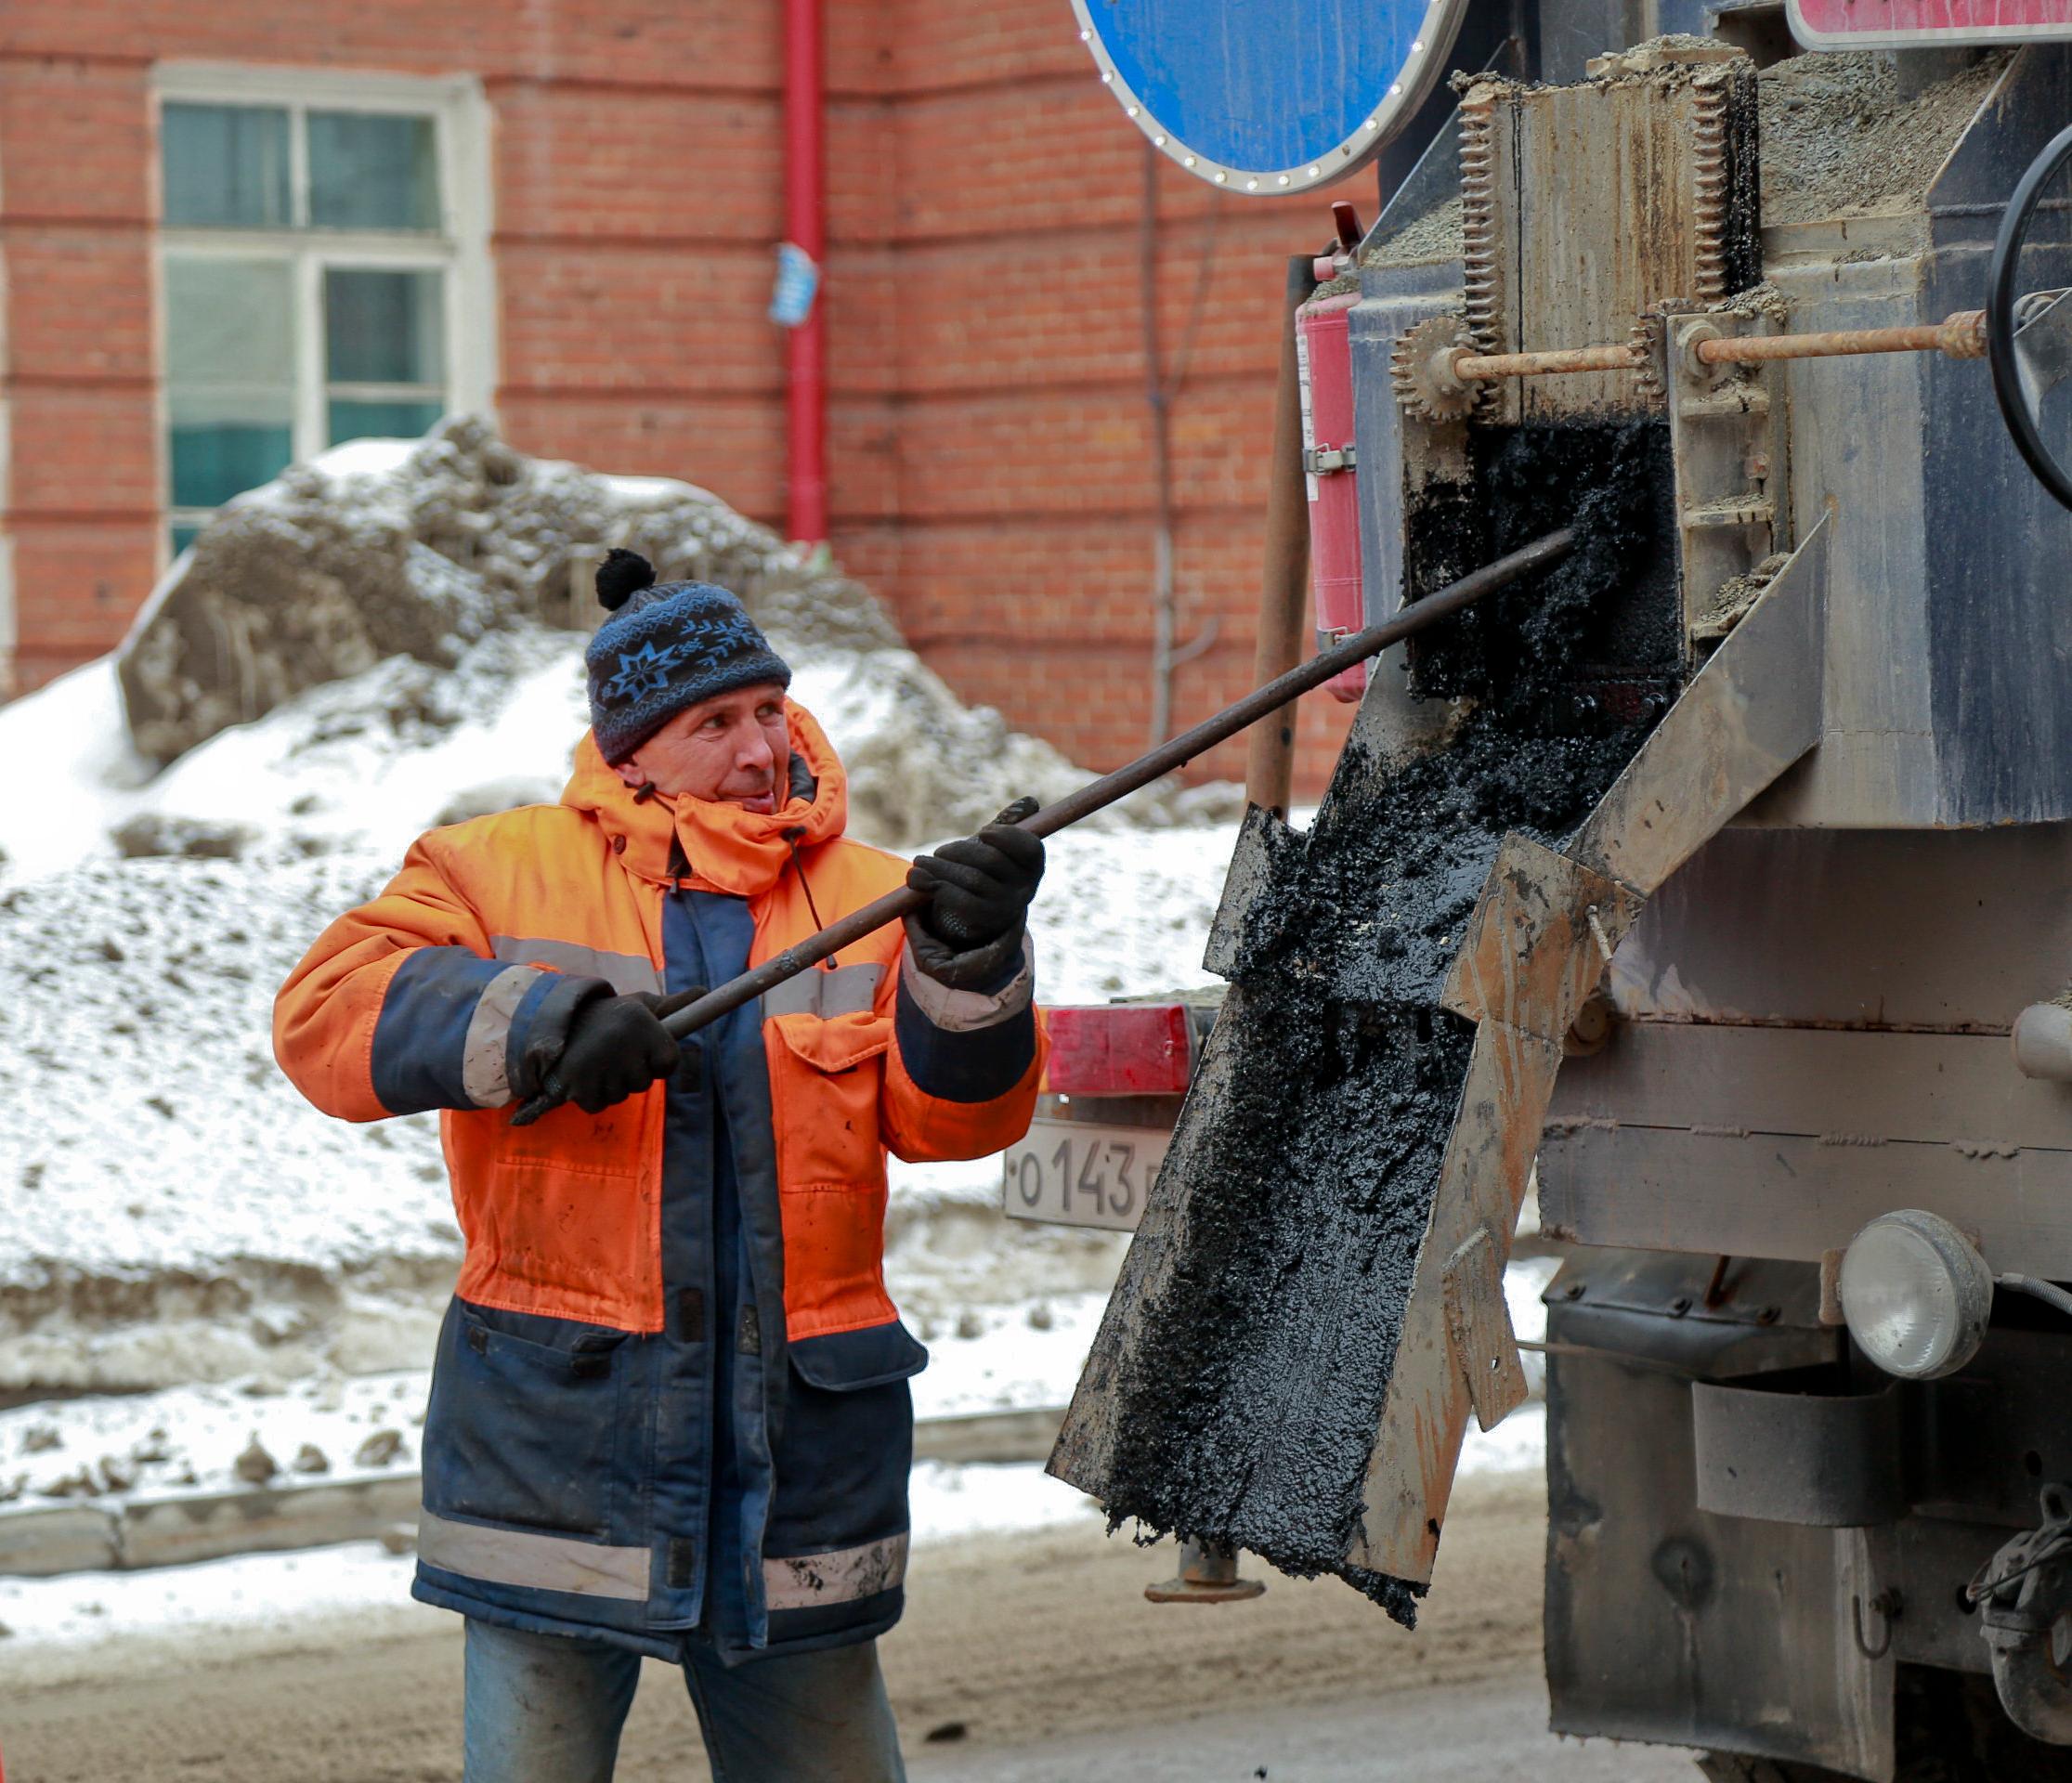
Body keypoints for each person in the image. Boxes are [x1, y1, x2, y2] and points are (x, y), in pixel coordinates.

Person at [274, 549, 1048, 1783]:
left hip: (796, 1470)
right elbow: (323, 1020)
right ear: (631, 752)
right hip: (562, 1463)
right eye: (716, 723)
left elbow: (965, 1122)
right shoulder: (490, 870)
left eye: (766, 712)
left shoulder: (878, 896)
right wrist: (537, 1024)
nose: (761, 747)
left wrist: (970, 956)